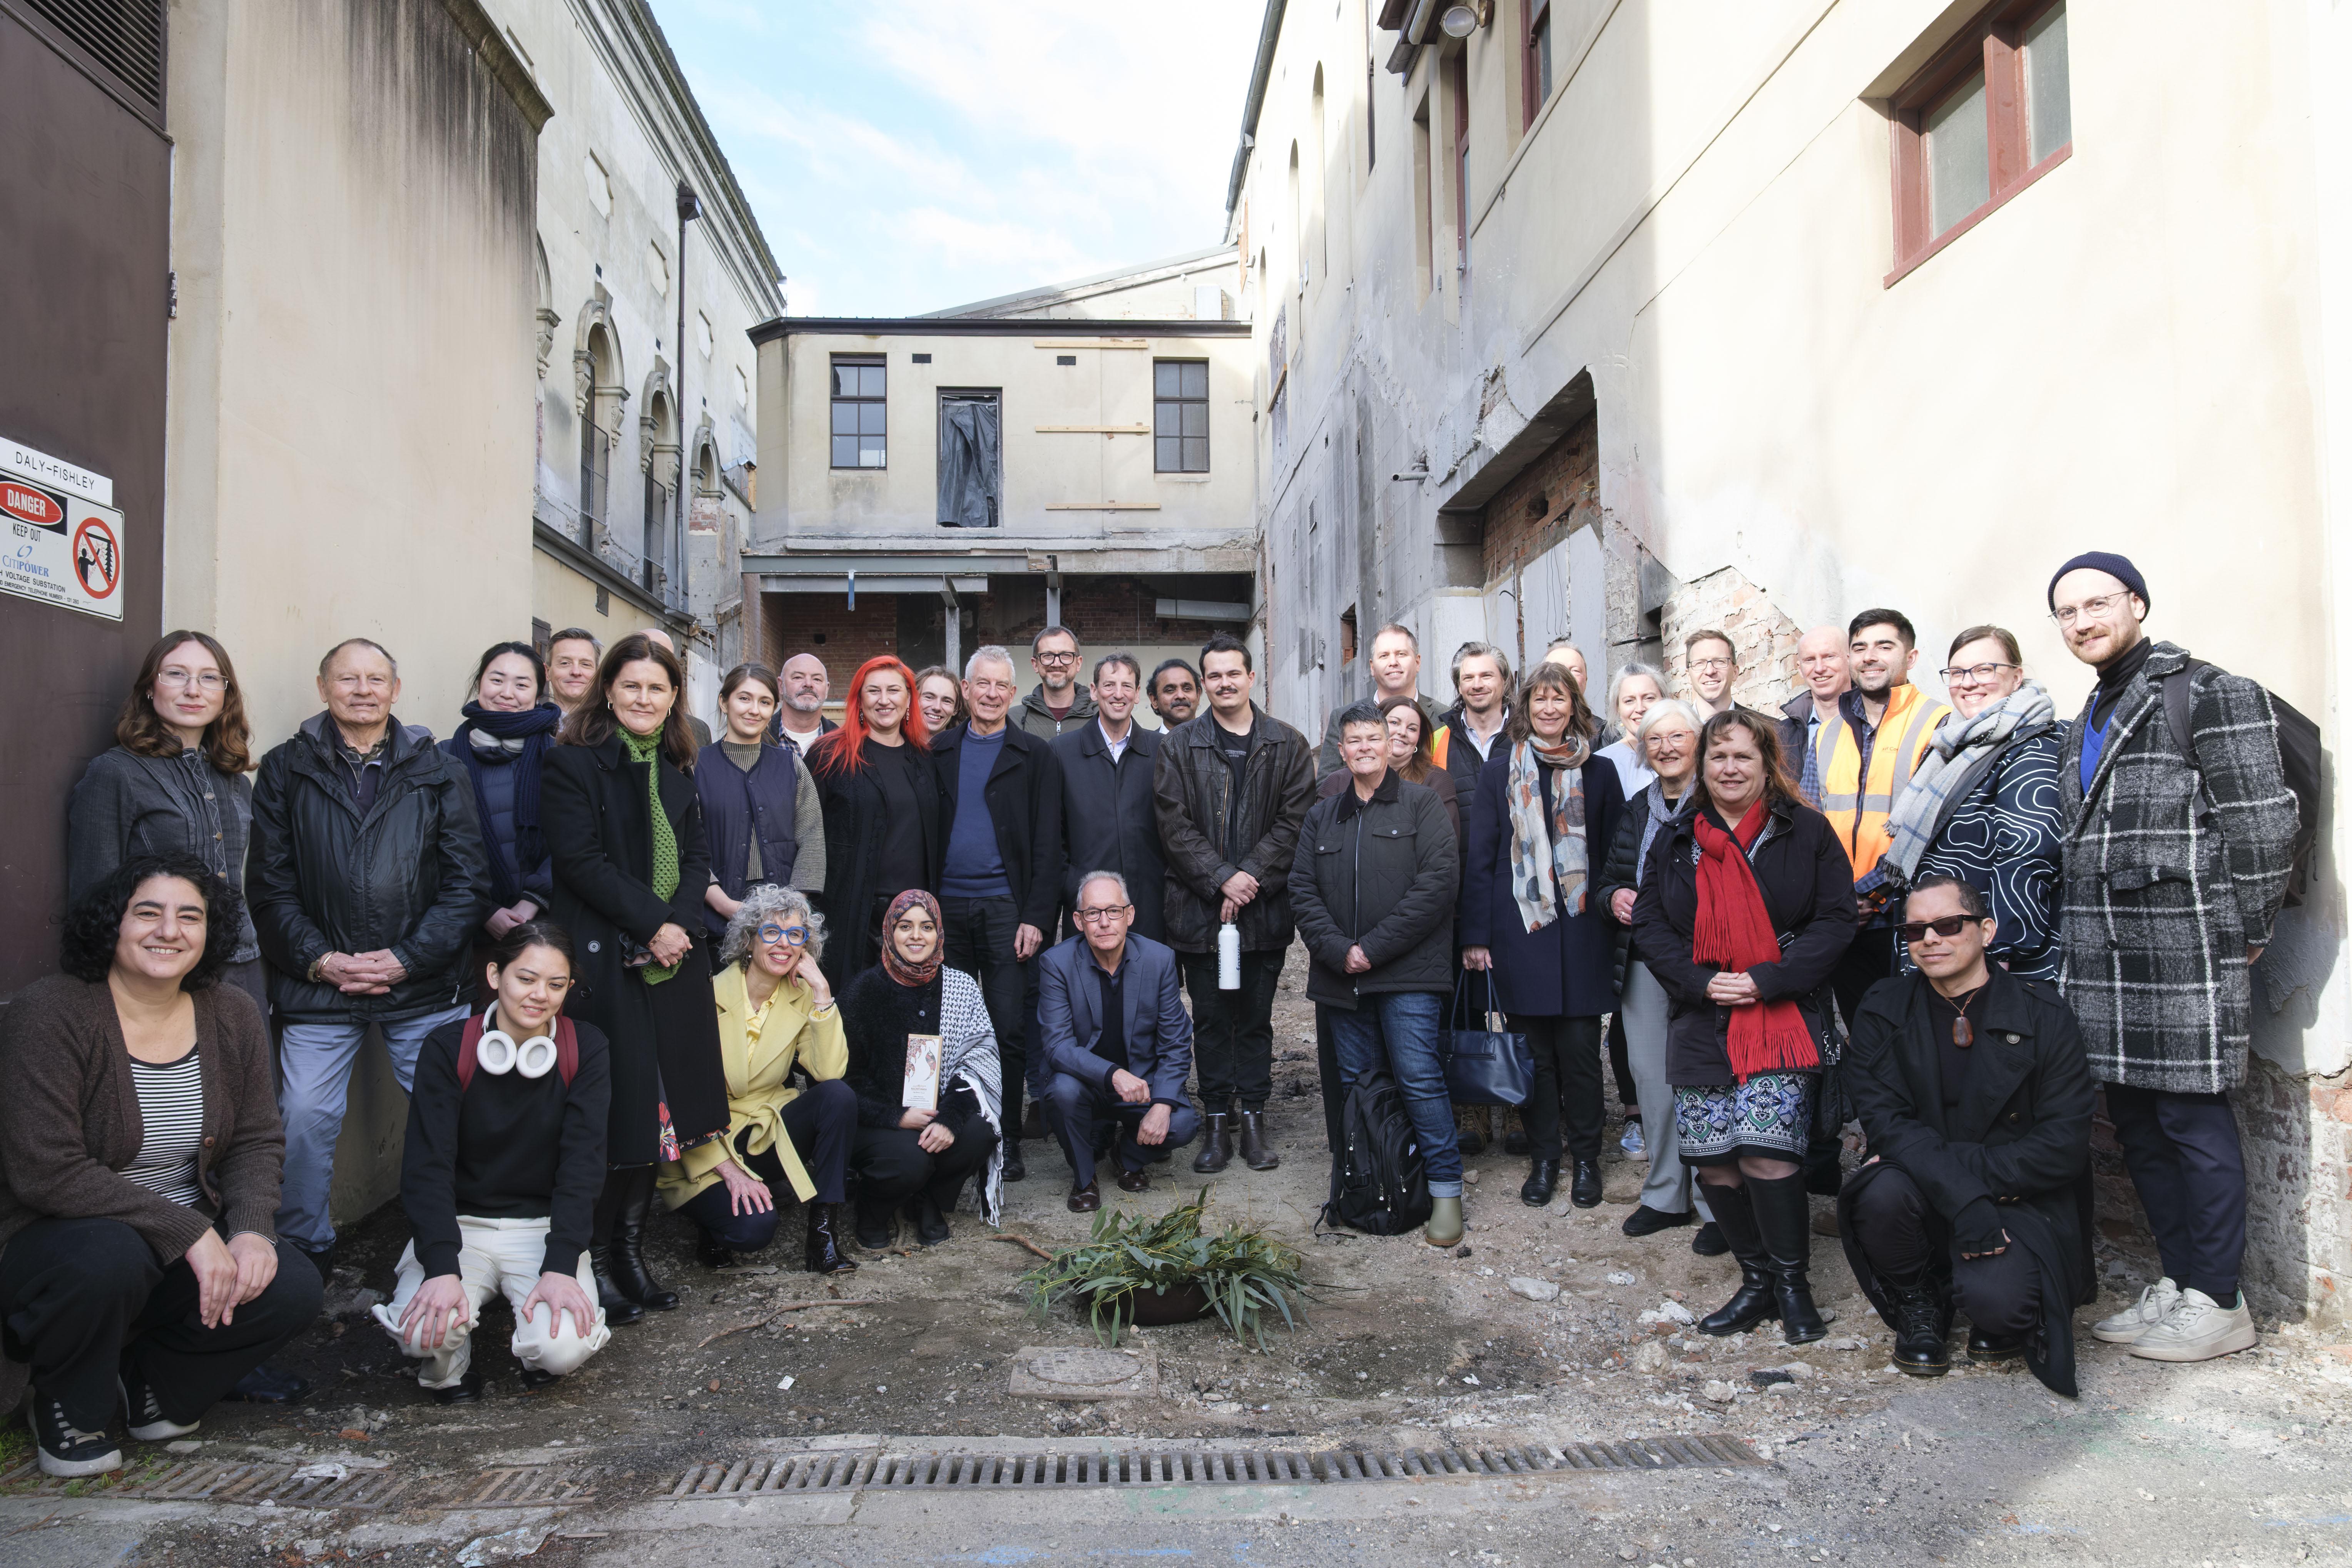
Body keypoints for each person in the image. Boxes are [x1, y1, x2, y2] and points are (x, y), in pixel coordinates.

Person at [0, 856, 322, 1477]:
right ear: (112, 924)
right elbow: (47, 1169)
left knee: (290, 1283)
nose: (168, 930)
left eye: (189, 916)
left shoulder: (230, 1012)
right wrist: (192, 1230)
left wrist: (252, 1228)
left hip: (169, 1246)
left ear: (209, 933)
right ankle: (67, 1402)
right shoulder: (51, 1012)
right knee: (108, 1254)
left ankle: (152, 1385)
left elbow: (255, 1138)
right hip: (53, 1243)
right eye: (147, 912)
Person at [2051, 552, 2296, 1362]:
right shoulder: (2090, 707)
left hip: (2182, 950)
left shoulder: (2208, 692)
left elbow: (2261, 825)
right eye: (2067, 612)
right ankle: (2182, 1282)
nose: (2082, 621)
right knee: (2136, 1128)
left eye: (2096, 603)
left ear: (2137, 604)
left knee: (2193, 1123)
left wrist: (2245, 930)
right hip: (2104, 959)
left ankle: (2220, 1301)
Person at [249, 638, 490, 1277]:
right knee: (302, 1116)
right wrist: (321, 960)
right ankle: (306, 1248)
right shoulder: (285, 768)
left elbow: (468, 883)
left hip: (423, 982)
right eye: (348, 678)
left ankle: (465, 1229)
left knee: (460, 1104)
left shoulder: (439, 768)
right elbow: (270, 887)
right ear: (323, 686)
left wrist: (408, 957)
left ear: (396, 687)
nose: (363, 689)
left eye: (375, 678)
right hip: (320, 986)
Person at [1631, 711, 1855, 1345]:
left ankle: (1793, 1286)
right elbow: (1648, 923)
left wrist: (1770, 977)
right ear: (1701, 767)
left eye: (1743, 757)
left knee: (1765, 1149)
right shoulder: (1678, 838)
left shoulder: (1804, 831)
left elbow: (1836, 920)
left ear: (1767, 765)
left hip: (1778, 1010)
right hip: (1701, 1009)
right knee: (1715, 1159)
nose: (1730, 768)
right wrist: (1700, 981)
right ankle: (1756, 1281)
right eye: (1718, 757)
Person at [1838, 877, 2096, 1394]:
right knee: (1877, 1191)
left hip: (2016, 1196)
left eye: (1946, 925)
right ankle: (1919, 1296)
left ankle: (1979, 1290)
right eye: (1915, 929)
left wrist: (1968, 1190)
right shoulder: (1883, 1008)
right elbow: (1886, 1122)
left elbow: (2062, 1145)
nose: (1929, 939)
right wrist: (1961, 1197)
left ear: (1984, 930)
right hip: (1921, 1192)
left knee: (1999, 1310)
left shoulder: (2042, 1014)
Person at [542, 634, 732, 1324]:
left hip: (670, 959)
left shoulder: (680, 762)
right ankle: (593, 1258)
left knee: (659, 1114)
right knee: (614, 1113)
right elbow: (580, 861)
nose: (645, 699)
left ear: (674, 696)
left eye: (657, 688)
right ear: (608, 691)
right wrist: (654, 922)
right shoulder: (574, 762)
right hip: (605, 958)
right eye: (632, 687)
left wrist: (678, 924)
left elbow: (697, 855)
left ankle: (629, 1249)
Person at [375, 923, 611, 1403]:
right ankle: (447, 1367)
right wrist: (441, 1268)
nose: (539, 996)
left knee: (561, 1348)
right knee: (424, 1332)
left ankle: (534, 1353)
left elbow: (583, 1164)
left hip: (542, 1227)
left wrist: (562, 1263)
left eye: (556, 984)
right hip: (462, 1227)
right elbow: (427, 1166)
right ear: (494, 974)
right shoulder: (447, 1048)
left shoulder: (585, 1048)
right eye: (526, 978)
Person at [1293, 702, 1466, 1245]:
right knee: (1354, 1088)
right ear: (1340, 751)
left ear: (1392, 745)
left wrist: (1371, 948)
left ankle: (1444, 1193)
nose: (1365, 747)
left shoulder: (1420, 805)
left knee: (1418, 1080)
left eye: (1375, 737)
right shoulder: (1323, 815)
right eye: (1354, 740)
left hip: (1408, 975)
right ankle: (1362, 1184)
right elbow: (1302, 889)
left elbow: (1437, 885)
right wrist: (1338, 949)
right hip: (1341, 977)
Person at [1461, 663, 1627, 1209]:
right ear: (1524, 708)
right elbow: (1481, 857)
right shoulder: (1500, 769)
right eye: (1539, 701)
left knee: (1580, 1055)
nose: (1549, 710)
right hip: (1519, 932)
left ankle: (1584, 1160)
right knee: (1533, 1056)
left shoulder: (1600, 773)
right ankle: (1543, 1158)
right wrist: (1476, 936)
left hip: (1582, 933)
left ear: (1573, 707)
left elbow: (1613, 856)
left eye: (1559, 700)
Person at [1154, 633, 1315, 1176]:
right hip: (1199, 913)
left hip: (1264, 913)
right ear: (1205, 684)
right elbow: (1172, 827)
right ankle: (1216, 1123)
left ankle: (1253, 1121)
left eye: (1233, 673)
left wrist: (1250, 876)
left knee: (1254, 1021)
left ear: (1251, 678)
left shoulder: (1287, 744)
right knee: (1210, 1021)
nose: (1224, 683)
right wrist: (1222, 878)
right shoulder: (1178, 746)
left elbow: (1295, 822)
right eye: (1214, 676)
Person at [654, 886, 862, 1276]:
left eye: (796, 935)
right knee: (753, 1232)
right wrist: (728, 1171)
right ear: (749, 940)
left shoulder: (801, 997)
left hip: (764, 1131)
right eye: (771, 933)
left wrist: (822, 995)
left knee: (837, 1097)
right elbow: (678, 1099)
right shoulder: (704, 994)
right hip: (704, 1140)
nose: (784, 944)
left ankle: (823, 1235)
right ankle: (710, 1222)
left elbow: (829, 1072)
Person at [69, 632, 265, 1019]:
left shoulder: (236, 781)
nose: (193, 690)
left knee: (243, 1079)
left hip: (240, 966)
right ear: (149, 689)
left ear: (226, 695)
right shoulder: (115, 773)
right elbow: (93, 898)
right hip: (155, 974)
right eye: (176, 674)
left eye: (210, 678)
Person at [932, 647, 1063, 1182]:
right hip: (942, 912)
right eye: (980, 684)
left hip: (1007, 911)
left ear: (1012, 694)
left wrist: (1036, 916)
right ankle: (952, 1133)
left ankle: (1005, 1138)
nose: (989, 694)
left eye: (1000, 686)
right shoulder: (936, 751)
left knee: (1007, 1029)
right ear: (965, 690)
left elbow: (1050, 844)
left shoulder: (1034, 754)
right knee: (946, 1031)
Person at [1875, 626, 2065, 981]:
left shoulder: (2033, 744)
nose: (1968, 683)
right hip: (1941, 944)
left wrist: (2000, 956)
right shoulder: (1950, 743)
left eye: (1984, 670)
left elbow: (2027, 857)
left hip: (1987, 957)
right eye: (1957, 673)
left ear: (2016, 676)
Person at [1598, 700, 1720, 1249]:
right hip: (1645, 958)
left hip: (1707, 960)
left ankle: (1717, 1202)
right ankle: (1666, 1193)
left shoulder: (1720, 801)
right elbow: (1607, 880)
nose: (1666, 747)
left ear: (1698, 741)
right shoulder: (1635, 808)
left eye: (1677, 736)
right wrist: (1614, 895)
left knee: (1709, 1077)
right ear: (1643, 750)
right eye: (1655, 740)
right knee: (1651, 1076)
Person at [841, 889, 1004, 1241]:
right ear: (889, 932)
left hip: (937, 1114)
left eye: (926, 927)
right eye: (905, 926)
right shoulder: (862, 991)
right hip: (878, 1119)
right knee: (907, 1161)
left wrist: (949, 1118)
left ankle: (928, 1198)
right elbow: (844, 1079)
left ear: (939, 934)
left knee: (981, 1131)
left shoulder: (961, 986)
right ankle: (873, 1209)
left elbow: (978, 1063)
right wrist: (896, 1117)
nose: (916, 936)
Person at [1035, 872, 1202, 1210]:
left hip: (1142, 1082)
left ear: (1130, 916)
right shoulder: (1056, 964)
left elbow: (1176, 1041)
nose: (1104, 923)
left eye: (1113, 911)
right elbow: (1057, 1046)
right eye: (1093, 914)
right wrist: (1113, 1073)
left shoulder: (1158, 960)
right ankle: (1084, 1180)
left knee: (1182, 1123)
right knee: (1061, 1092)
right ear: (1079, 922)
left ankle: (1125, 1156)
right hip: (1085, 1084)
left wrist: (1163, 1104)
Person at [1820, 609, 1954, 1024]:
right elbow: (1809, 825)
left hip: (1907, 917)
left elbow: (1932, 825)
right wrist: (1838, 900)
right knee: (1865, 1041)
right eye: (1859, 647)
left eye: (1884, 646)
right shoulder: (1828, 733)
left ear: (1910, 658)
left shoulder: (1939, 724)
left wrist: (1869, 894)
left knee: (1918, 1040)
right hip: (1844, 920)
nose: (1870, 656)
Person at [807, 656, 943, 986]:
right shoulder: (828, 755)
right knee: (847, 1006)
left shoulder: (926, 759)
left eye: (894, 690)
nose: (884, 700)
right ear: (859, 699)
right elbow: (807, 835)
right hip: (849, 910)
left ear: (909, 699)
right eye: (874, 691)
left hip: (912, 917)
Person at [440, 642, 563, 955]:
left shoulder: (561, 757)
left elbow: (580, 837)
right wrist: (485, 911)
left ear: (538, 694)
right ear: (479, 683)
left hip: (553, 926)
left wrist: (534, 900)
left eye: (522, 685)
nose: (507, 693)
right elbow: (430, 847)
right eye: (497, 680)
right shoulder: (442, 757)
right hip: (465, 931)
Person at [697, 663, 825, 949]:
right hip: (713, 918)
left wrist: (789, 908)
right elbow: (686, 844)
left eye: (765, 702)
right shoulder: (697, 765)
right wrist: (726, 906)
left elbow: (812, 838)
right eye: (744, 698)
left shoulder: (790, 765)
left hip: (784, 921)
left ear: (773, 710)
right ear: (724, 702)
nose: (754, 710)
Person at [1053, 654, 1167, 942]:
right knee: (1087, 984)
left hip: (1149, 906)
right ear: (1093, 691)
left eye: (1127, 686)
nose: (1119, 695)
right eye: (1109, 685)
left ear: (1138, 694)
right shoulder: (1062, 752)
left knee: (1148, 982)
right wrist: (1072, 889)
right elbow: (1052, 836)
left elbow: (1176, 827)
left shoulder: (1162, 750)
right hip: (1089, 909)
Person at [1321, 697, 1461, 843]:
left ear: (1418, 741)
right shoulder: (1337, 782)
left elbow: (1443, 849)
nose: (1402, 732)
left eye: (1412, 729)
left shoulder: (1436, 781)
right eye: (1394, 723)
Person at [1317, 623, 1445, 777]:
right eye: (1384, 656)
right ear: (1372, 667)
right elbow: (1327, 786)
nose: (1393, 662)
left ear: (1417, 662)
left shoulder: (1444, 717)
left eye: (1401, 654)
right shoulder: (1342, 717)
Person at [1775, 626, 1851, 810]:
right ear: (1800, 669)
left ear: (1850, 659)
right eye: (1810, 660)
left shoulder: (1872, 723)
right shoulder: (1779, 736)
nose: (1819, 668)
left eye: (1829, 657)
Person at [1437, 641, 1512, 801]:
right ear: (1459, 686)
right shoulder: (1438, 741)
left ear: (1504, 681)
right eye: (1468, 678)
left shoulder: (1526, 734)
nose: (1477, 685)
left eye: (1486, 676)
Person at [635, 627, 715, 747]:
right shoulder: (601, 733)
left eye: (663, 657)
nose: (652, 660)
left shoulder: (697, 731)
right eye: (643, 653)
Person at [1595, 662, 1664, 797]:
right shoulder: (1601, 764)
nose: (1640, 709)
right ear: (1618, 708)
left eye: (1649, 698)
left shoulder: (1684, 754)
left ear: (1664, 700)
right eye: (1629, 701)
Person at [1015, 625, 1098, 738]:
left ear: (1078, 664)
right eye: (1048, 656)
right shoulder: (1013, 719)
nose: (1057, 664)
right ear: (1035, 664)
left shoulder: (1101, 717)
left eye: (1066, 655)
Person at [774, 652, 837, 758]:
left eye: (817, 679)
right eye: (798, 677)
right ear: (781, 686)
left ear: (827, 689)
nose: (808, 684)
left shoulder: (843, 743)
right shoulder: (758, 737)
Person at [1679, 630, 1744, 721]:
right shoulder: (1672, 731)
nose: (1710, 671)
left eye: (1720, 662)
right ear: (1689, 676)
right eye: (1700, 663)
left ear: (1735, 672)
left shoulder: (1766, 730)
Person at [546, 630, 603, 715]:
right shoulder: (529, 725)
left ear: (597, 674)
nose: (576, 672)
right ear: (547, 672)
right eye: (565, 663)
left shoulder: (613, 727)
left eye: (586, 664)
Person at [914, 664, 967, 737]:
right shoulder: (896, 744)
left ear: (956, 709)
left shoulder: (964, 747)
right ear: (913, 700)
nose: (937, 707)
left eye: (947, 701)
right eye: (929, 697)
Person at [1148, 659, 1200, 728]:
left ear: (1198, 696)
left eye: (1187, 689)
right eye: (1170, 690)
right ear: (1155, 700)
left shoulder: (1216, 738)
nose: (1180, 696)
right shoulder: (1147, 739)